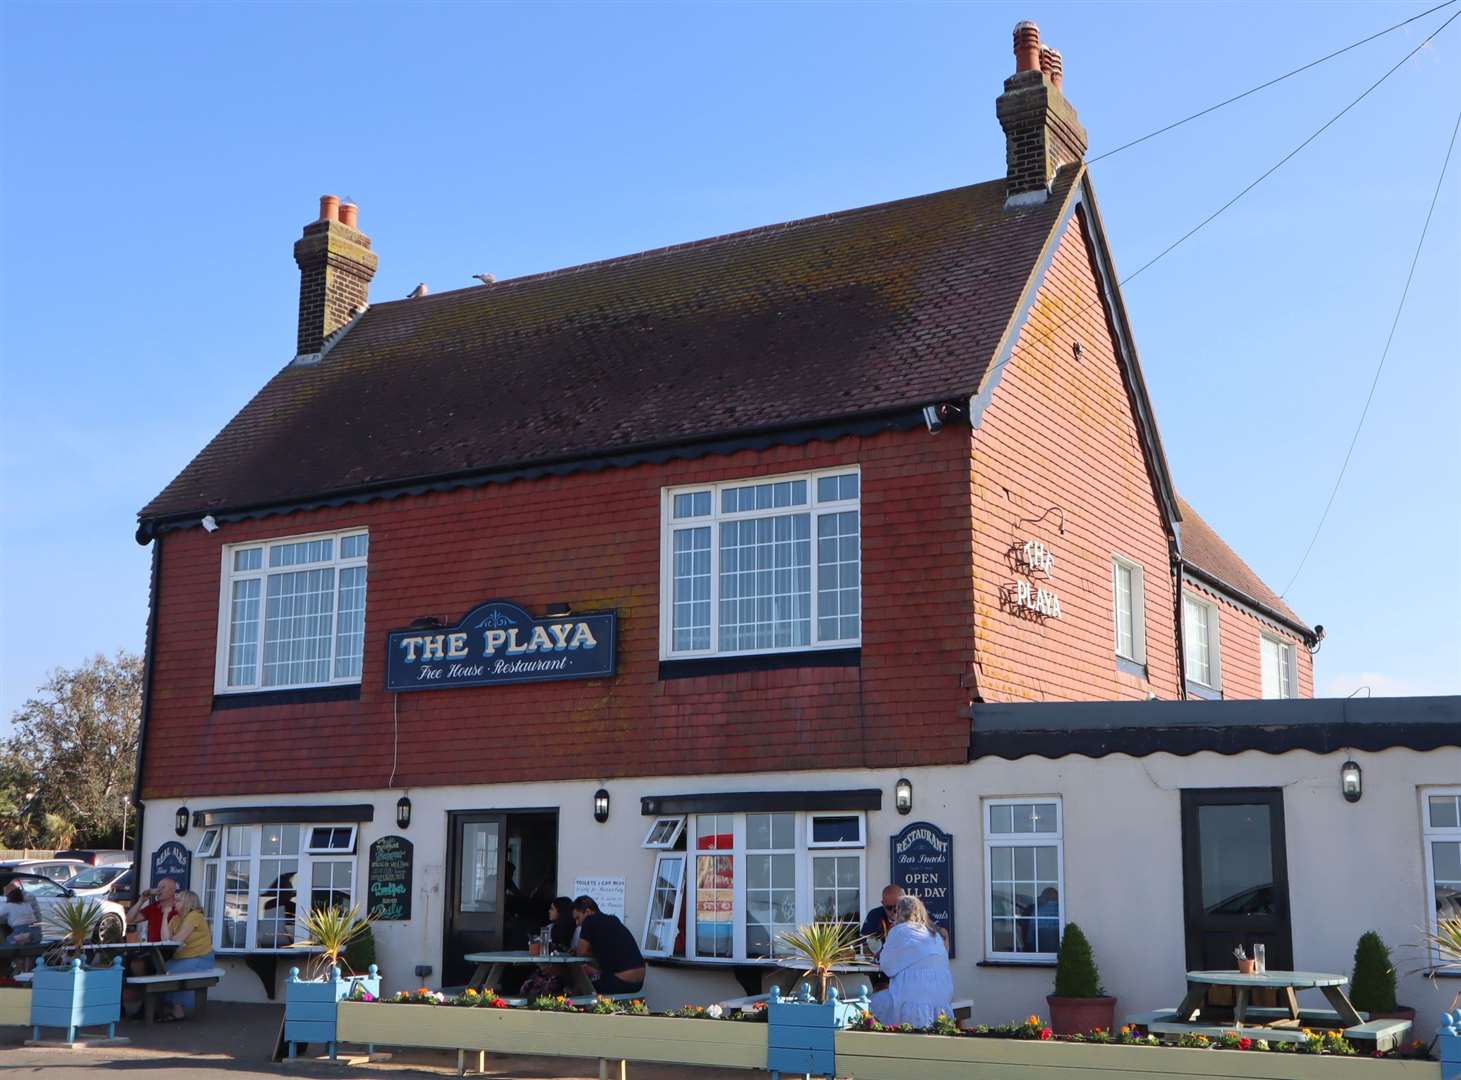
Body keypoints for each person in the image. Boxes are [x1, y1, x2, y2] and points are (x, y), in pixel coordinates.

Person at [870, 895, 954, 1029]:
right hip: (941, 998)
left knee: (869, 1005)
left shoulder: (900, 930)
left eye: (895, 910)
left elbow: (887, 966)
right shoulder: (934, 934)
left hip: (912, 998)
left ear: (900, 912)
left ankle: (873, 1047)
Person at [158, 890, 213, 1021]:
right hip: (183, 958)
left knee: (172, 972)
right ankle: (167, 1007)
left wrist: (172, 939)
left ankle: (178, 1010)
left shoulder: (195, 915)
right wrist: (165, 916)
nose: (174, 903)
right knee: (161, 969)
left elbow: (177, 940)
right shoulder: (176, 918)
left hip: (201, 958)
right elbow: (165, 939)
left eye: (178, 900)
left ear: (188, 903)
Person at [573, 895, 644, 995]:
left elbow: (581, 953)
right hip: (639, 982)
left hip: (621, 980)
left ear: (588, 912)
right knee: (595, 974)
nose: (577, 923)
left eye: (578, 918)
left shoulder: (589, 921)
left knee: (583, 983)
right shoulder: (613, 920)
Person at [520, 896, 579, 998]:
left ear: (561, 911)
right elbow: (542, 952)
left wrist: (560, 969)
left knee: (547, 988)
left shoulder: (576, 930)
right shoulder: (549, 929)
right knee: (527, 987)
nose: (549, 911)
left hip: (570, 972)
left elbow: (576, 954)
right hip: (548, 970)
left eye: (552, 909)